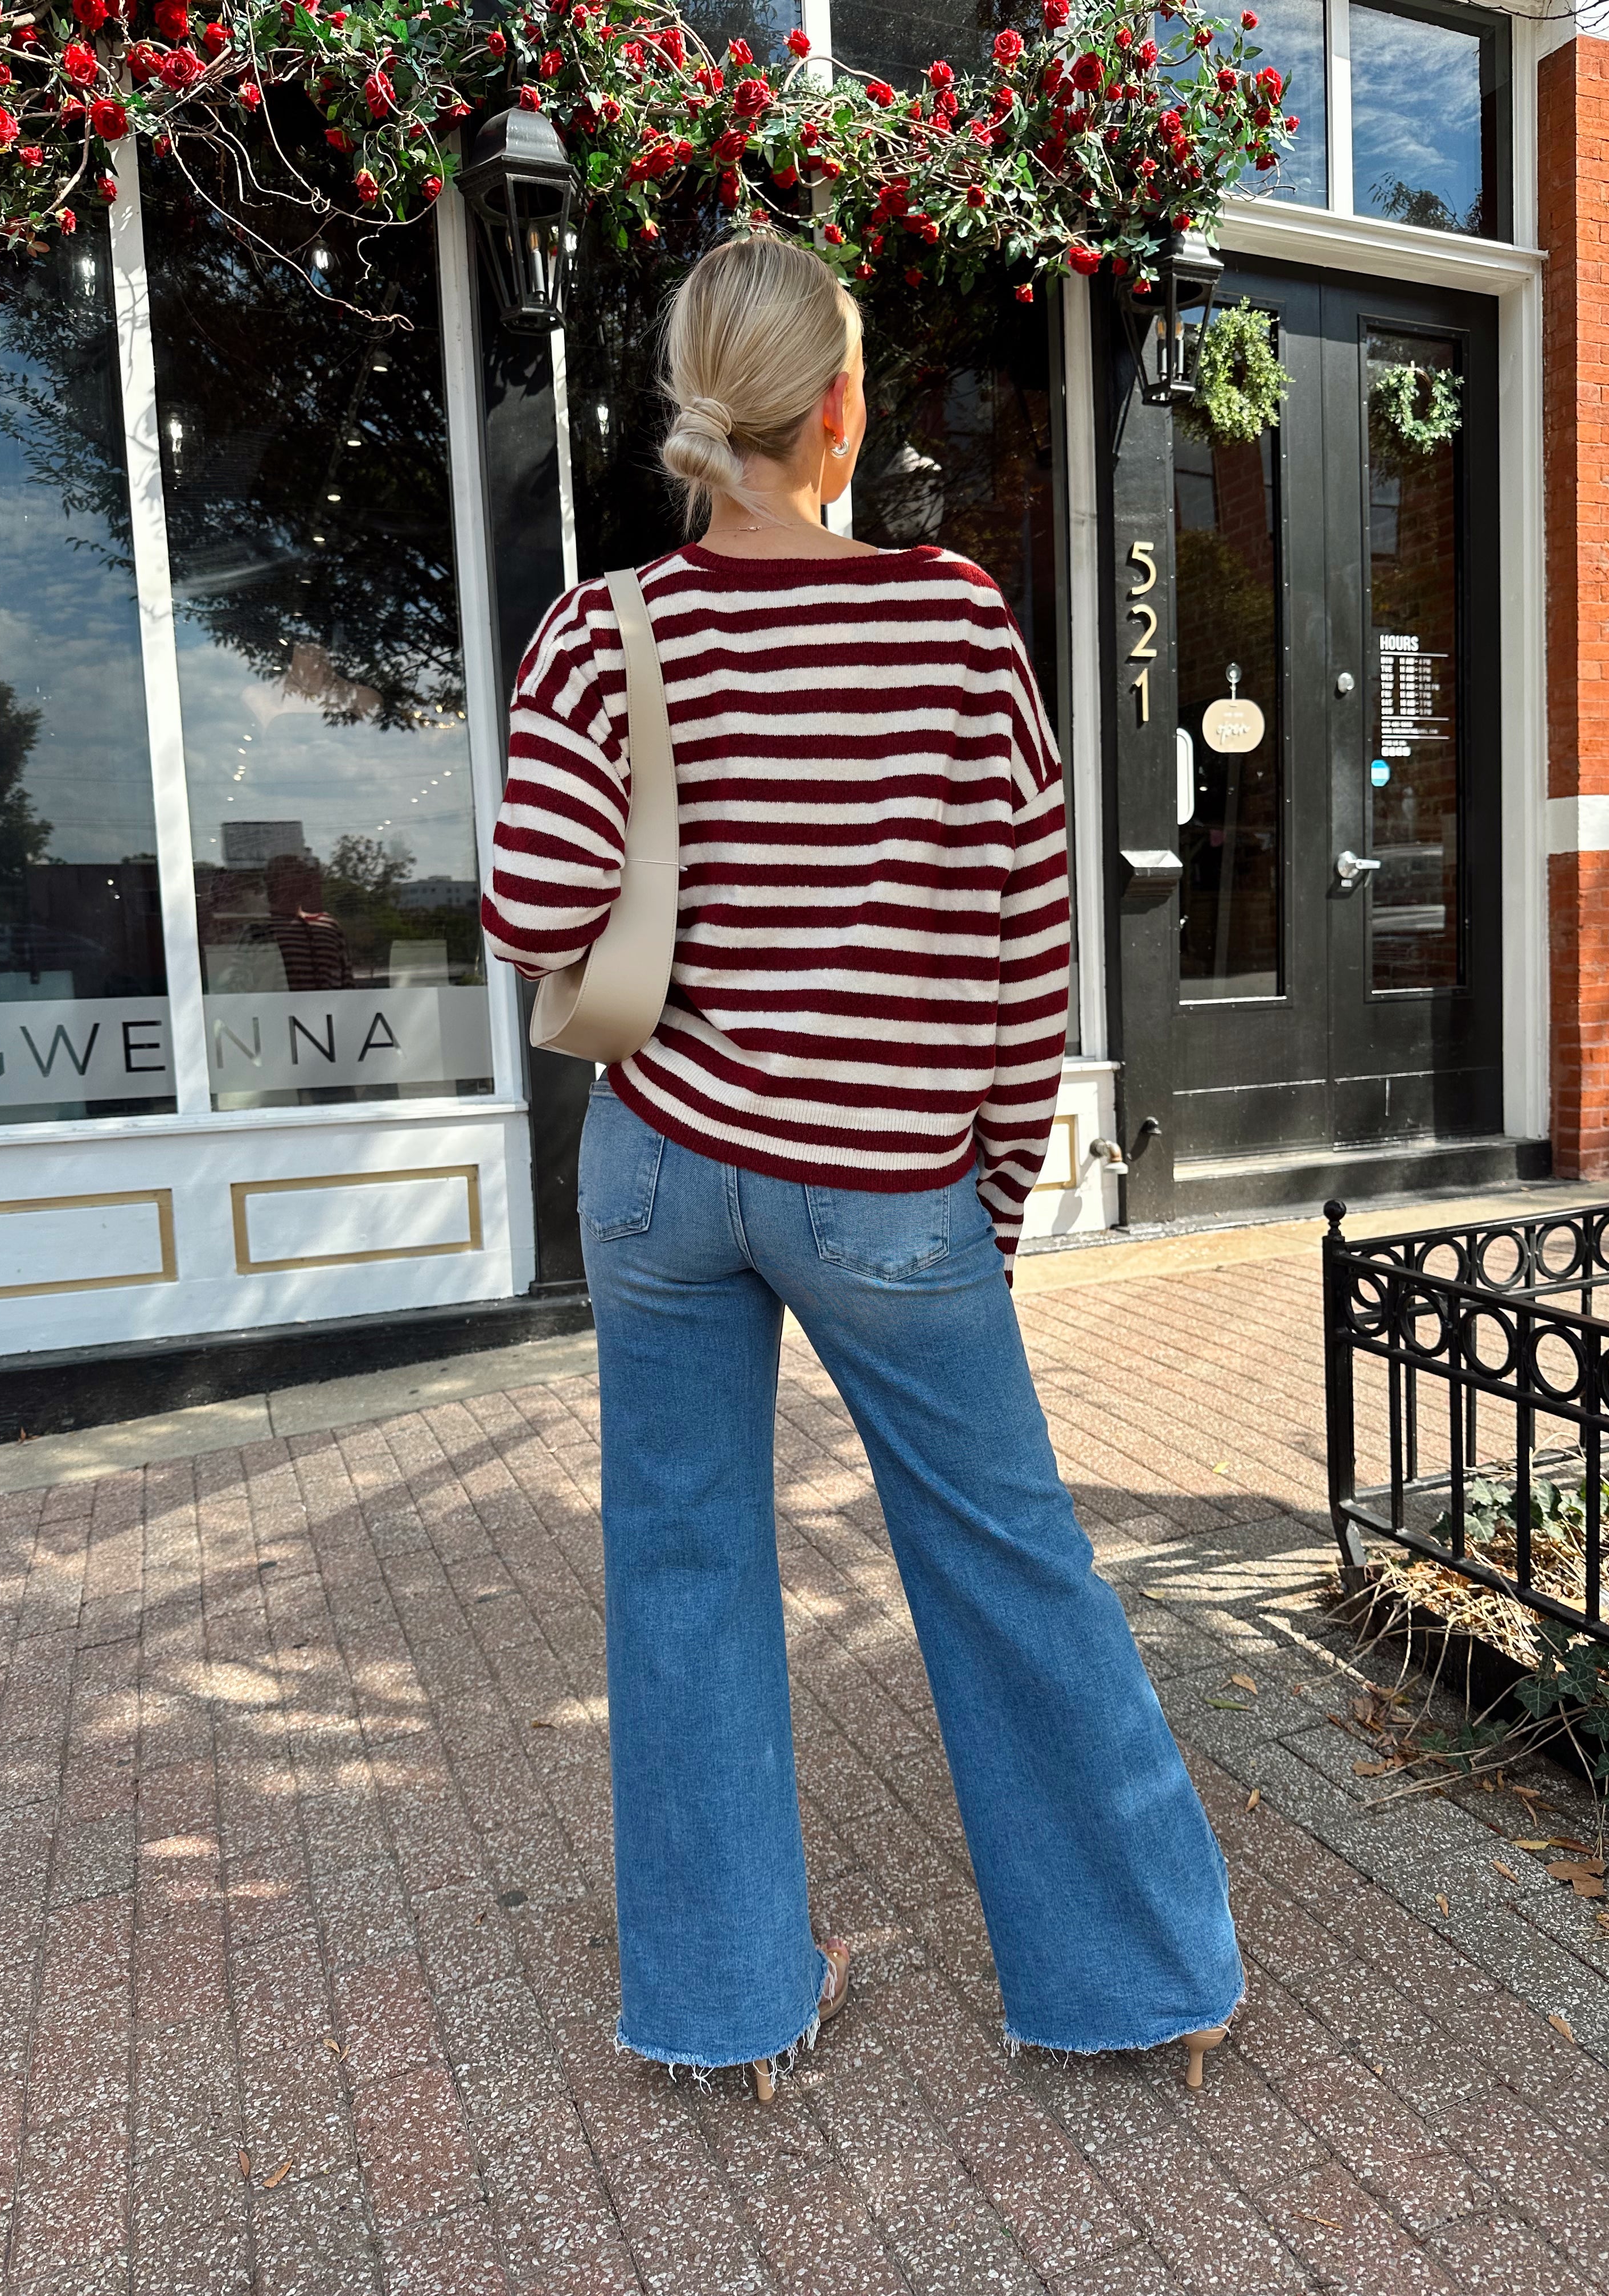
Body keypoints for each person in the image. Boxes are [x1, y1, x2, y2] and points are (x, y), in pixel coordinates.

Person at [481, 235, 1242, 2101]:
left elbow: (531, 913)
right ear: (841, 407)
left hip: (661, 1167)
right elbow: (1023, 951)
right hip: (888, 1188)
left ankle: (724, 2007)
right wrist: (979, 1195)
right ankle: (1134, 1981)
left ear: (703, 416)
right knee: (1008, 1562)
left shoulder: (608, 632)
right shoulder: (957, 625)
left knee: (677, 1569)